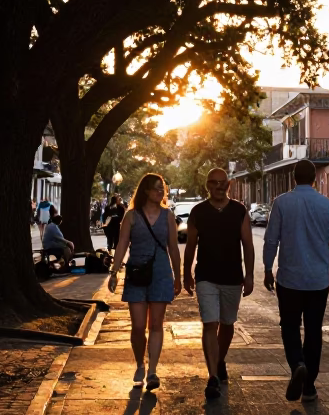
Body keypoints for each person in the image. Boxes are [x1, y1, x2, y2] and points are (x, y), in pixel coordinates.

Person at [262, 159, 329, 403]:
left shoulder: (281, 203)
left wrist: (268, 268)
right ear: (313, 179)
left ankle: (297, 363)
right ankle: (309, 386)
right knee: (313, 330)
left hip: (289, 279)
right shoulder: (328, 205)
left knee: (289, 326)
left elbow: (271, 240)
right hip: (318, 280)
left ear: (293, 178)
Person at [184, 168, 255, 400]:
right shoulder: (198, 212)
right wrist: (186, 274)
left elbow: (248, 244)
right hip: (206, 276)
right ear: (207, 185)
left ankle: (220, 359)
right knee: (209, 324)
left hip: (233, 277)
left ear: (229, 184)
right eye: (213, 183)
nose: (218, 186)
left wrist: (250, 275)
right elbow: (191, 246)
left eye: (222, 182)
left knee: (227, 324)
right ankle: (212, 376)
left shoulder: (239, 211)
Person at [108, 173, 181, 392]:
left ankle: (152, 371)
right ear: (146, 190)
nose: (161, 192)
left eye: (163, 189)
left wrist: (179, 276)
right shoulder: (131, 216)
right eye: (157, 188)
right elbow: (121, 244)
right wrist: (114, 272)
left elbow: (174, 249)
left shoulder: (167, 216)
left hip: (160, 274)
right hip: (137, 273)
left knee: (156, 325)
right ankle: (140, 363)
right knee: (138, 326)